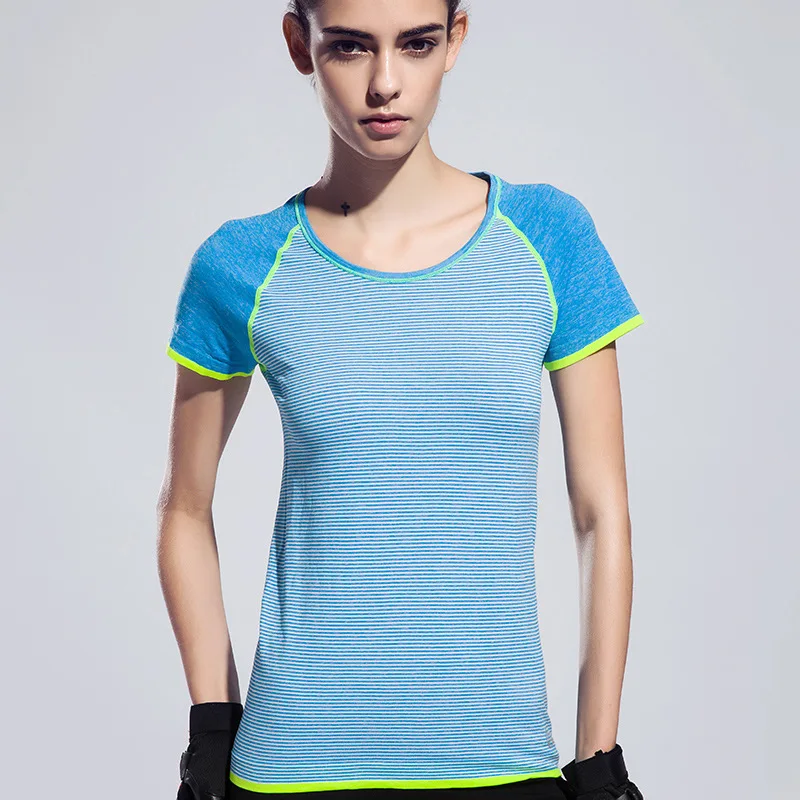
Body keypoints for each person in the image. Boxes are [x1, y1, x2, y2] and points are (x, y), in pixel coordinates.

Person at [158, 1, 646, 799]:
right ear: (300, 45)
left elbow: (602, 512)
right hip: (291, 767)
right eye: (351, 48)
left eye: (416, 44)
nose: (385, 83)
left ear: (454, 41)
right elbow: (184, 507)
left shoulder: (548, 237)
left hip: (501, 759)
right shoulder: (243, 262)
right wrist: (212, 725)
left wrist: (598, 758)